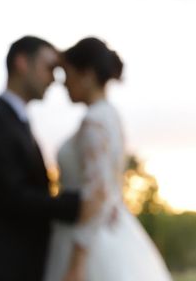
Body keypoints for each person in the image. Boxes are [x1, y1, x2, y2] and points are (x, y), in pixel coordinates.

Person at [0, 35, 101, 281]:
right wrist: (76, 204)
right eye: (48, 68)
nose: (54, 80)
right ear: (22, 63)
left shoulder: (16, 122)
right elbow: (13, 196)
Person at [43, 37, 173, 281]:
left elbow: (99, 191)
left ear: (87, 75)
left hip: (88, 242)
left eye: (67, 74)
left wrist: (77, 263)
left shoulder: (95, 121)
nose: (64, 84)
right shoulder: (110, 116)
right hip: (111, 229)